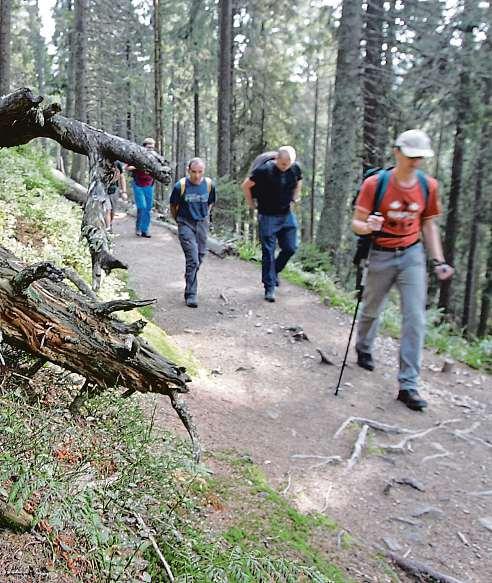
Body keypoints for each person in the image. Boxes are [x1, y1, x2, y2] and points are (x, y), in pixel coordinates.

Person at [352, 129, 454, 412]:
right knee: (372, 309)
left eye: (420, 157)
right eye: (410, 156)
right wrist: (368, 226)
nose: (415, 162)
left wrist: (438, 261)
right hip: (380, 253)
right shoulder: (375, 184)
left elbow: (429, 224)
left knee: (415, 318)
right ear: (397, 152)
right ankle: (364, 346)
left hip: (411, 255)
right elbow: (357, 224)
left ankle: (408, 384)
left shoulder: (428, 186)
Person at [242, 146, 302, 302]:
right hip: (267, 216)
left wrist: (295, 197)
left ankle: (274, 272)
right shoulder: (264, 171)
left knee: (291, 247)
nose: (285, 167)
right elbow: (246, 185)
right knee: (268, 252)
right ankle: (269, 288)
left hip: (286, 214)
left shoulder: (295, 169)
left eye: (288, 164)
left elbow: (299, 182)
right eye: (282, 163)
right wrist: (251, 204)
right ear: (277, 159)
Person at [169, 158, 216, 308]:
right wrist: (179, 221)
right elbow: (173, 206)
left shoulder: (209, 185)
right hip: (185, 223)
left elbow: (210, 202)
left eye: (200, 172)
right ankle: (191, 293)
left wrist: (204, 217)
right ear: (188, 171)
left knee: (201, 255)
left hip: (202, 223)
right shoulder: (180, 186)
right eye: (194, 172)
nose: (197, 175)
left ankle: (190, 275)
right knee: (193, 259)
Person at [126, 138, 157, 238]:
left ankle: (145, 230)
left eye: (152, 147)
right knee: (142, 207)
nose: (150, 149)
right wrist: (138, 166)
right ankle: (139, 228)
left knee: (147, 208)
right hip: (138, 184)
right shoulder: (137, 155)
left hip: (149, 185)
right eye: (148, 147)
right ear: (144, 147)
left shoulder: (155, 157)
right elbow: (127, 167)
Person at [105, 160, 127, 233]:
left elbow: (122, 177)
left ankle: (110, 224)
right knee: (107, 209)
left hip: (113, 189)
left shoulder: (117, 163)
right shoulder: (101, 161)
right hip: (102, 189)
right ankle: (107, 228)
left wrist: (124, 191)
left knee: (112, 210)